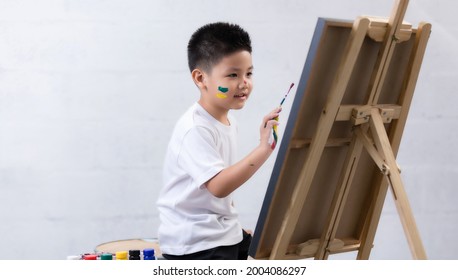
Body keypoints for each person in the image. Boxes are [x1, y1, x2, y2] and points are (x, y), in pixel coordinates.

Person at [157, 22, 281, 260]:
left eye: (249, 73)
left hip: (216, 231)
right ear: (201, 78)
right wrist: (264, 148)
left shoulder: (228, 121)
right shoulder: (195, 128)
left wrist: (232, 229)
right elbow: (218, 186)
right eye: (233, 74)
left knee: (268, 251)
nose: (244, 82)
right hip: (195, 242)